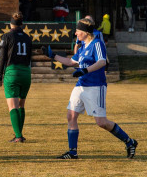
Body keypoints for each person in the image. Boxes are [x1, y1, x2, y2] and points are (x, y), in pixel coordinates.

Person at [42, 18, 138, 160]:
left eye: (78, 31)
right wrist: (53, 55)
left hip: (95, 85)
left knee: (101, 122)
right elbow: (70, 61)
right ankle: (72, 152)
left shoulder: (97, 43)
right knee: (71, 115)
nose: (75, 34)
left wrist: (85, 70)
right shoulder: (82, 48)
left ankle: (130, 142)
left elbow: (102, 62)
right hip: (81, 85)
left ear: (86, 32)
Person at [0, 12, 32, 143]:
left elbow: (2, 58)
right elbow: (29, 58)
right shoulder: (28, 38)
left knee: (13, 106)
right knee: (21, 105)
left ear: (10, 24)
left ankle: (18, 136)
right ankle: (20, 133)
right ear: (22, 24)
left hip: (12, 72)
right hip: (26, 73)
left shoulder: (7, 36)